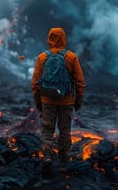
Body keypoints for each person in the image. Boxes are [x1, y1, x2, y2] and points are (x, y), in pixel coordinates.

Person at [31, 27, 85, 164]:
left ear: (49, 38)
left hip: (47, 100)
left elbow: (35, 82)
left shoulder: (42, 57)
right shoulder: (71, 57)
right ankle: (63, 158)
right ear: (63, 38)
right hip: (66, 101)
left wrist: (38, 100)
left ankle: (47, 154)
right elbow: (80, 81)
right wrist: (78, 99)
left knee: (47, 129)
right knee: (65, 131)